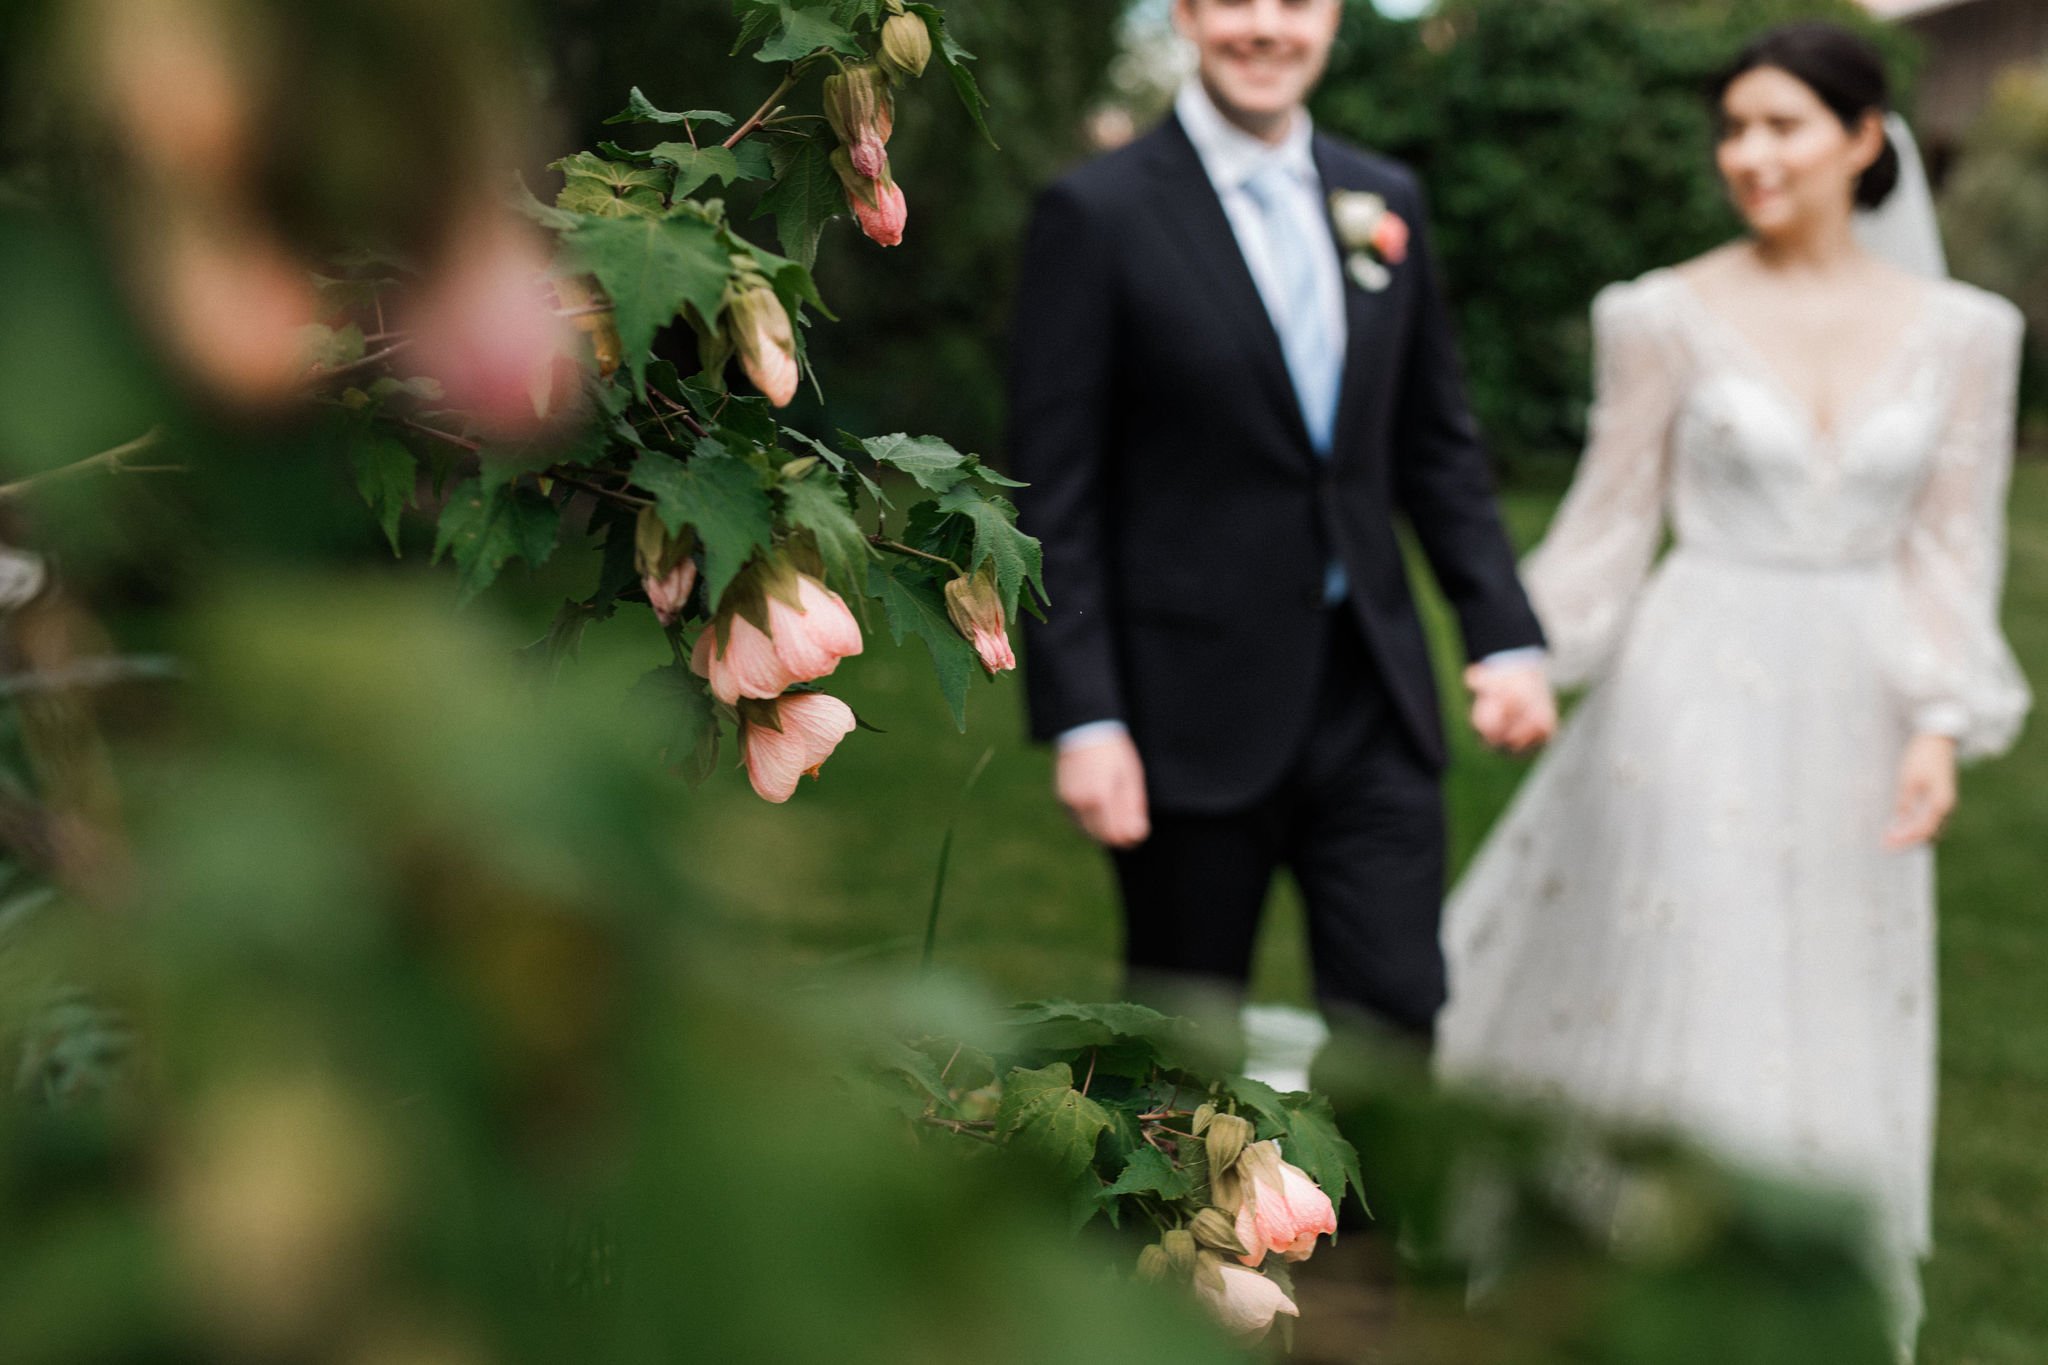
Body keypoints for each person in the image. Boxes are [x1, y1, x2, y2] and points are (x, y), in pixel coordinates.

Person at [1435, 22, 2031, 1351]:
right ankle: (1628, 1285)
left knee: (1822, 991)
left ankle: (1792, 1291)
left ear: (1864, 139)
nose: (1748, 155)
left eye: (1782, 126)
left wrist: (1941, 721)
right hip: (1686, 680)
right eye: (1734, 129)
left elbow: (1953, 545)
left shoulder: (1971, 333)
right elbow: (1604, 520)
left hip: (1861, 702)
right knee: (1693, 962)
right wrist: (1529, 660)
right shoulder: (1658, 313)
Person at [1009, 0, 1555, 1049]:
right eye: (1234, 1)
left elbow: (1433, 442)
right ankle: (1171, 1222)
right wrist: (1084, 715)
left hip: (1371, 696)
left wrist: (1500, 633)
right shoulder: (1096, 214)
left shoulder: (1381, 198)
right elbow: (1051, 494)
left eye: (1296, 2)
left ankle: (1377, 1224)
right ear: (1185, 14)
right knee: (1181, 1041)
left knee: (1397, 1022)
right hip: (1183, 706)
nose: (1265, 28)